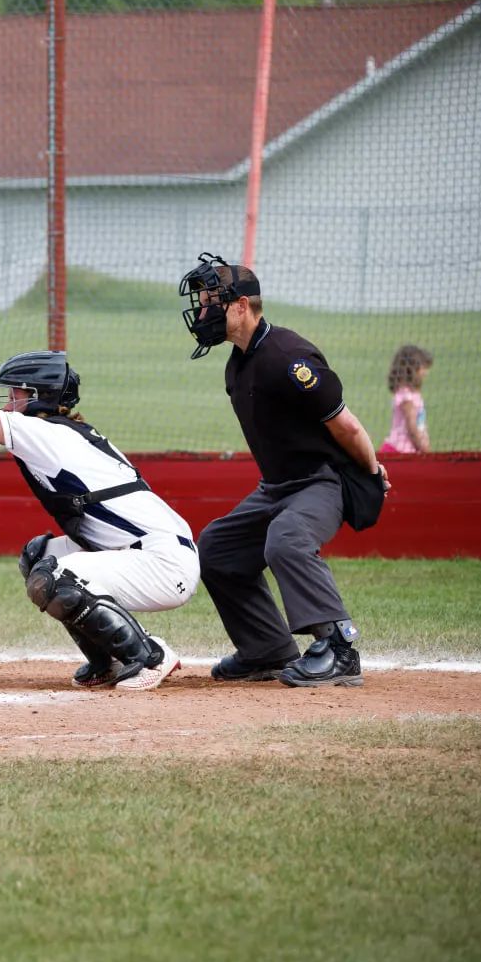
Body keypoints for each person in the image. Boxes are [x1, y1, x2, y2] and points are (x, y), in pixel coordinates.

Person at [0, 343, 188, 690]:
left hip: (161, 563)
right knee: (40, 557)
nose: (9, 405)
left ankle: (149, 657)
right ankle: (108, 661)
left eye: (15, 395)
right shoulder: (58, 431)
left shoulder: (44, 432)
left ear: (38, 397)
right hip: (144, 552)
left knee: (56, 577)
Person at [179, 252, 388, 688]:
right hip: (277, 487)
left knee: (288, 539)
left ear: (241, 306)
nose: (202, 312)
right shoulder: (237, 364)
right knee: (217, 548)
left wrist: (371, 472)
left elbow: (345, 425)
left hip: (321, 481)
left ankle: (340, 650)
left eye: (211, 302)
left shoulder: (289, 358)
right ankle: (266, 651)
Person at [380, 344, 433, 455]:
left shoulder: (413, 394)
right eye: (423, 368)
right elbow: (412, 428)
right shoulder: (406, 397)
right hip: (399, 452)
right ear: (412, 370)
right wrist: (425, 451)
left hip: (409, 452)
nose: (426, 373)